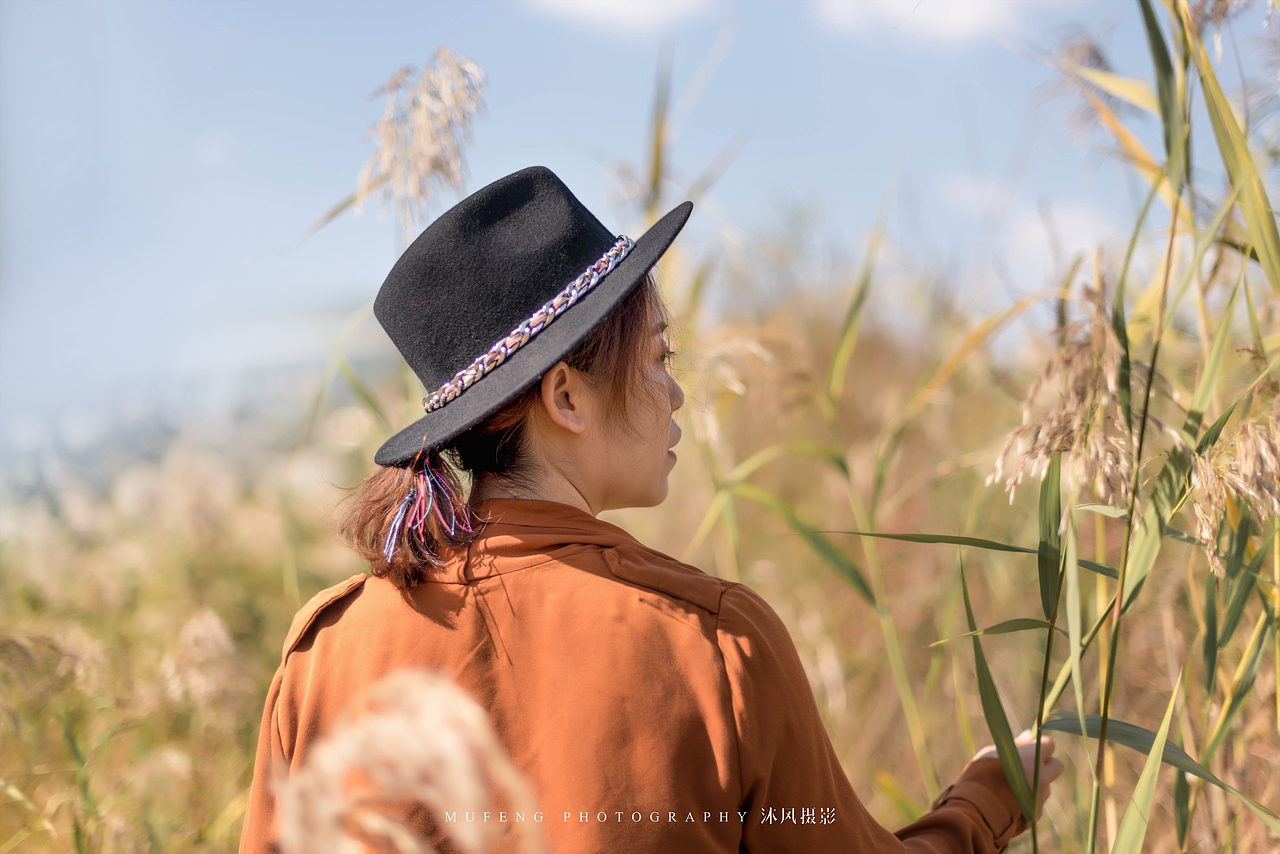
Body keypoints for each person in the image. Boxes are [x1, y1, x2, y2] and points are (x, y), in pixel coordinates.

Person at [239, 166, 1062, 853]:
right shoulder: (714, 643)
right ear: (565, 395)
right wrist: (989, 800)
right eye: (659, 355)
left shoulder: (323, 654)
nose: (673, 391)